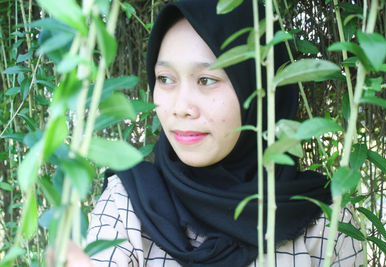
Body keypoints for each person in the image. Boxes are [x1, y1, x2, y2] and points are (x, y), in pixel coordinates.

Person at [85, 0, 364, 266]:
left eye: (207, 80)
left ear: (261, 91)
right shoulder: (128, 205)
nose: (180, 108)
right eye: (165, 79)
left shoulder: (323, 220)